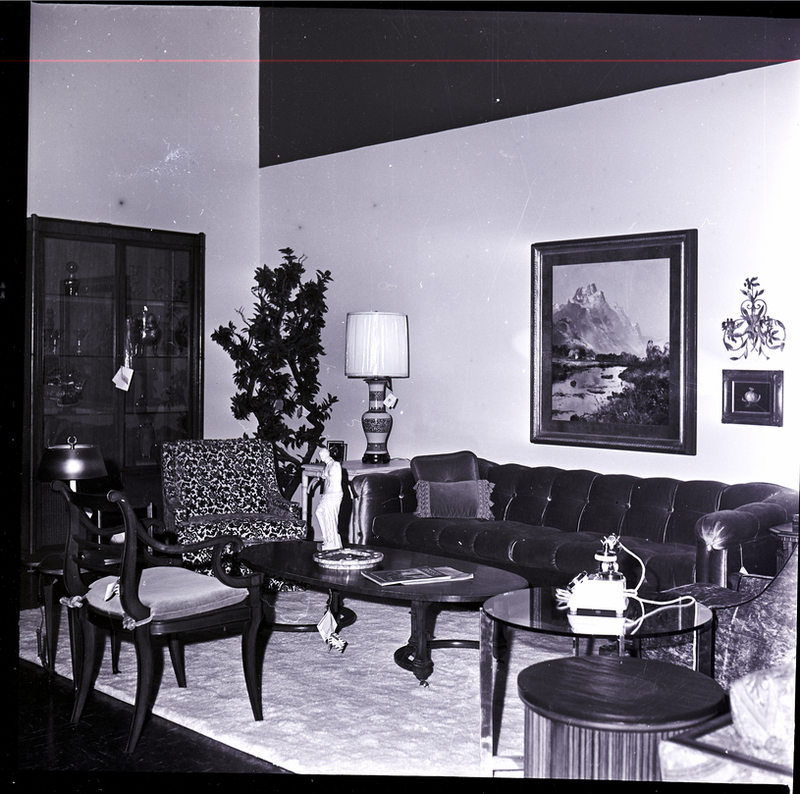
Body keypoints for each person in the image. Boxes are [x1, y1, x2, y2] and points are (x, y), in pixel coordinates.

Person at [315, 446, 343, 550]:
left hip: (334, 495)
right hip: (327, 494)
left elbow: (336, 479)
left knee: (332, 519)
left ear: (327, 454)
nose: (321, 457)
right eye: (320, 455)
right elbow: (323, 477)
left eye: (322, 455)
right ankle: (326, 538)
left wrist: (324, 476)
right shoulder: (326, 466)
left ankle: (332, 542)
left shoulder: (335, 464)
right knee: (319, 512)